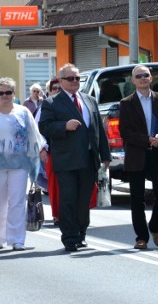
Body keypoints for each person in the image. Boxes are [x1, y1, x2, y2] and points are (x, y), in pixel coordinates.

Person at [39, 63, 111, 253]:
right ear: (60, 81)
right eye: (70, 78)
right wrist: (64, 126)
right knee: (69, 198)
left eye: (77, 78)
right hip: (66, 159)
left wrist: (105, 155)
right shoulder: (52, 102)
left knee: (83, 199)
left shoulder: (89, 100)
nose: (74, 82)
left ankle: (81, 233)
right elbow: (44, 127)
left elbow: (98, 130)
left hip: (88, 158)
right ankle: (69, 237)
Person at [0, 77, 46, 251]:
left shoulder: (23, 112)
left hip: (19, 164)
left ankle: (17, 239)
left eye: (8, 92)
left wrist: (41, 150)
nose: (4, 96)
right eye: (1, 93)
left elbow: (34, 135)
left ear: (14, 94)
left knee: (17, 201)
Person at [119, 65, 158, 250]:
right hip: (137, 153)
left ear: (151, 78)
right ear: (133, 80)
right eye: (139, 76)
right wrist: (146, 140)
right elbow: (125, 131)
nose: (143, 78)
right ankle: (141, 237)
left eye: (146, 75)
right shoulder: (126, 103)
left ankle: (155, 227)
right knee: (137, 199)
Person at [36, 77, 61, 225]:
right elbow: (39, 131)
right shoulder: (45, 107)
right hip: (51, 151)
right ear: (49, 92)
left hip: (69, 151)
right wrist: (43, 148)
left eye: (60, 88)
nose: (57, 91)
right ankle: (57, 215)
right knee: (54, 185)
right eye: (54, 89)